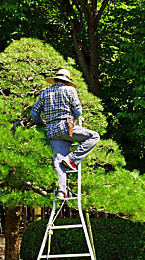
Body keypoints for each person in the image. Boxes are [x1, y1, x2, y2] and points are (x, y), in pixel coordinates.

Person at [31, 69, 100, 200]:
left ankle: (61, 192)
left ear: (55, 80)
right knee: (94, 136)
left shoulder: (44, 93)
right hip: (66, 127)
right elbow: (78, 111)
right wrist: (72, 117)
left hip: (52, 131)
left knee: (57, 161)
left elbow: (34, 113)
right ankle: (72, 159)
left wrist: (41, 124)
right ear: (67, 81)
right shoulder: (70, 90)